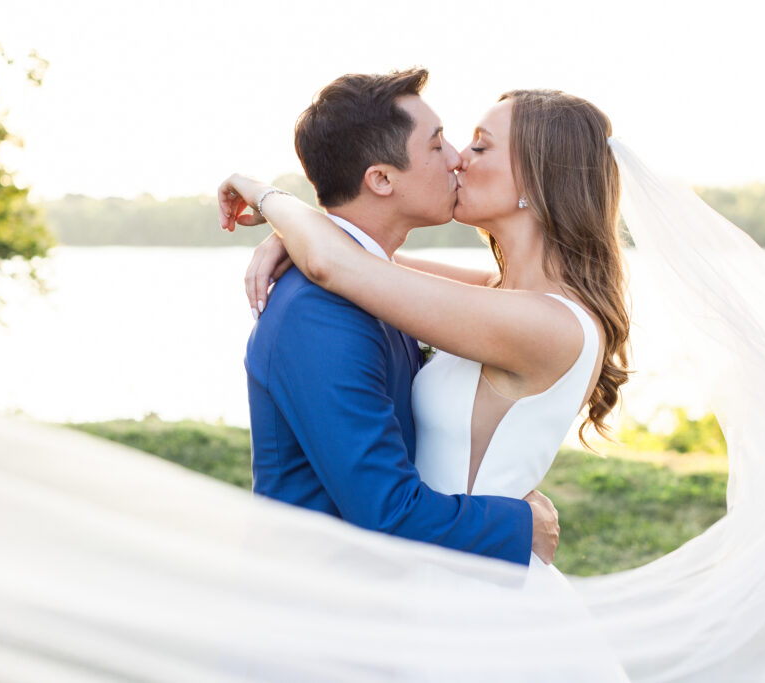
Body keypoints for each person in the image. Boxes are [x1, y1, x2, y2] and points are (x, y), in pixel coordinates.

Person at [220, 82, 765, 680]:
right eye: (457, 143)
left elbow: (350, 269)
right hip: (442, 578)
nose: (460, 156)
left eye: (481, 146)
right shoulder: (500, 296)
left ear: (533, 183)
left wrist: (269, 198)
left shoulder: (547, 324)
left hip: (474, 597)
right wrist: (298, 230)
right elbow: (365, 264)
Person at [232, 69, 561, 567]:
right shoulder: (319, 313)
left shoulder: (380, 286)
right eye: (436, 146)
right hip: (315, 614)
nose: (455, 160)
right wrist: (518, 524)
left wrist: (297, 229)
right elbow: (386, 512)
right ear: (381, 179)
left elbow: (504, 295)